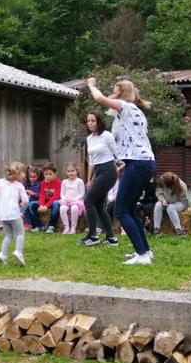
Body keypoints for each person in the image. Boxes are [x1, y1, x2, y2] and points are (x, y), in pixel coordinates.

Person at [87, 78, 156, 265]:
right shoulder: (136, 112)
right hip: (142, 162)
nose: (112, 94)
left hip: (139, 164)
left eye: (115, 91)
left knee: (121, 210)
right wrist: (126, 163)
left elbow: (100, 99)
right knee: (130, 209)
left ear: (121, 93)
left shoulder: (125, 106)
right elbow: (138, 142)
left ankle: (142, 255)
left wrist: (92, 85)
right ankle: (145, 251)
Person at [79, 110, 118, 246]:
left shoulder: (107, 136)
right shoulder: (89, 138)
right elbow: (92, 161)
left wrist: (121, 167)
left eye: (93, 120)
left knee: (88, 201)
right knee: (99, 206)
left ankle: (93, 236)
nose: (90, 123)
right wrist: (89, 180)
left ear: (99, 121)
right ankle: (111, 238)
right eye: (88, 121)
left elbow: (117, 153)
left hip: (109, 171)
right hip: (99, 171)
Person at [0, 162, 29, 266]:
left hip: (3, 215)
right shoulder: (19, 186)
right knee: (20, 233)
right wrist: (24, 207)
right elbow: (25, 200)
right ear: (18, 174)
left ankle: (3, 254)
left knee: (8, 235)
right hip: (13, 214)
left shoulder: (2, 183)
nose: (24, 175)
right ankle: (18, 252)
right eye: (23, 173)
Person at [29, 162, 61, 233]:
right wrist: (41, 205)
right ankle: (39, 226)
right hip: (45, 202)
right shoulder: (43, 183)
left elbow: (56, 196)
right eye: (46, 174)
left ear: (55, 174)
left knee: (56, 204)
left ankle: (51, 226)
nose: (48, 176)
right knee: (31, 205)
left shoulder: (58, 182)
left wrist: (46, 206)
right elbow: (42, 195)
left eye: (50, 174)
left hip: (53, 201)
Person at [153, 172, 188, 236]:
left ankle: (179, 230)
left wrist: (168, 203)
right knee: (158, 205)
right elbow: (159, 194)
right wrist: (163, 200)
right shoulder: (162, 181)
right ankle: (156, 229)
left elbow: (181, 199)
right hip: (167, 202)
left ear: (170, 186)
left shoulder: (182, 185)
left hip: (180, 203)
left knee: (171, 207)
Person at [59, 163, 85, 235]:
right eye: (68, 171)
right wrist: (65, 199)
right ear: (66, 172)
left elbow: (82, 193)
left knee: (74, 208)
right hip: (66, 201)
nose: (70, 173)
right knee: (62, 209)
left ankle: (73, 227)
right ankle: (66, 227)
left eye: (72, 171)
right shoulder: (64, 182)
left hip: (76, 201)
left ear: (77, 171)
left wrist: (74, 200)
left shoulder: (79, 181)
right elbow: (62, 194)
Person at [23, 166, 43, 230]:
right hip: (28, 200)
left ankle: (29, 224)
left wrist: (33, 194)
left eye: (34, 177)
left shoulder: (39, 184)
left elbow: (41, 196)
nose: (32, 179)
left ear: (37, 176)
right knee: (25, 205)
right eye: (30, 177)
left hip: (37, 201)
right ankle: (28, 224)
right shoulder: (26, 184)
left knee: (29, 205)